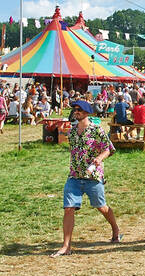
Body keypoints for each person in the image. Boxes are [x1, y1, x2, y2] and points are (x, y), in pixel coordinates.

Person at [51, 100, 120, 258]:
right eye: (75, 109)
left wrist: (99, 159)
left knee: (101, 206)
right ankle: (66, 246)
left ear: (87, 112)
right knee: (69, 208)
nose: (76, 112)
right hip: (74, 176)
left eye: (79, 110)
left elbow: (109, 149)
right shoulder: (72, 131)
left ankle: (115, 229)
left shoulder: (96, 130)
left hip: (93, 176)